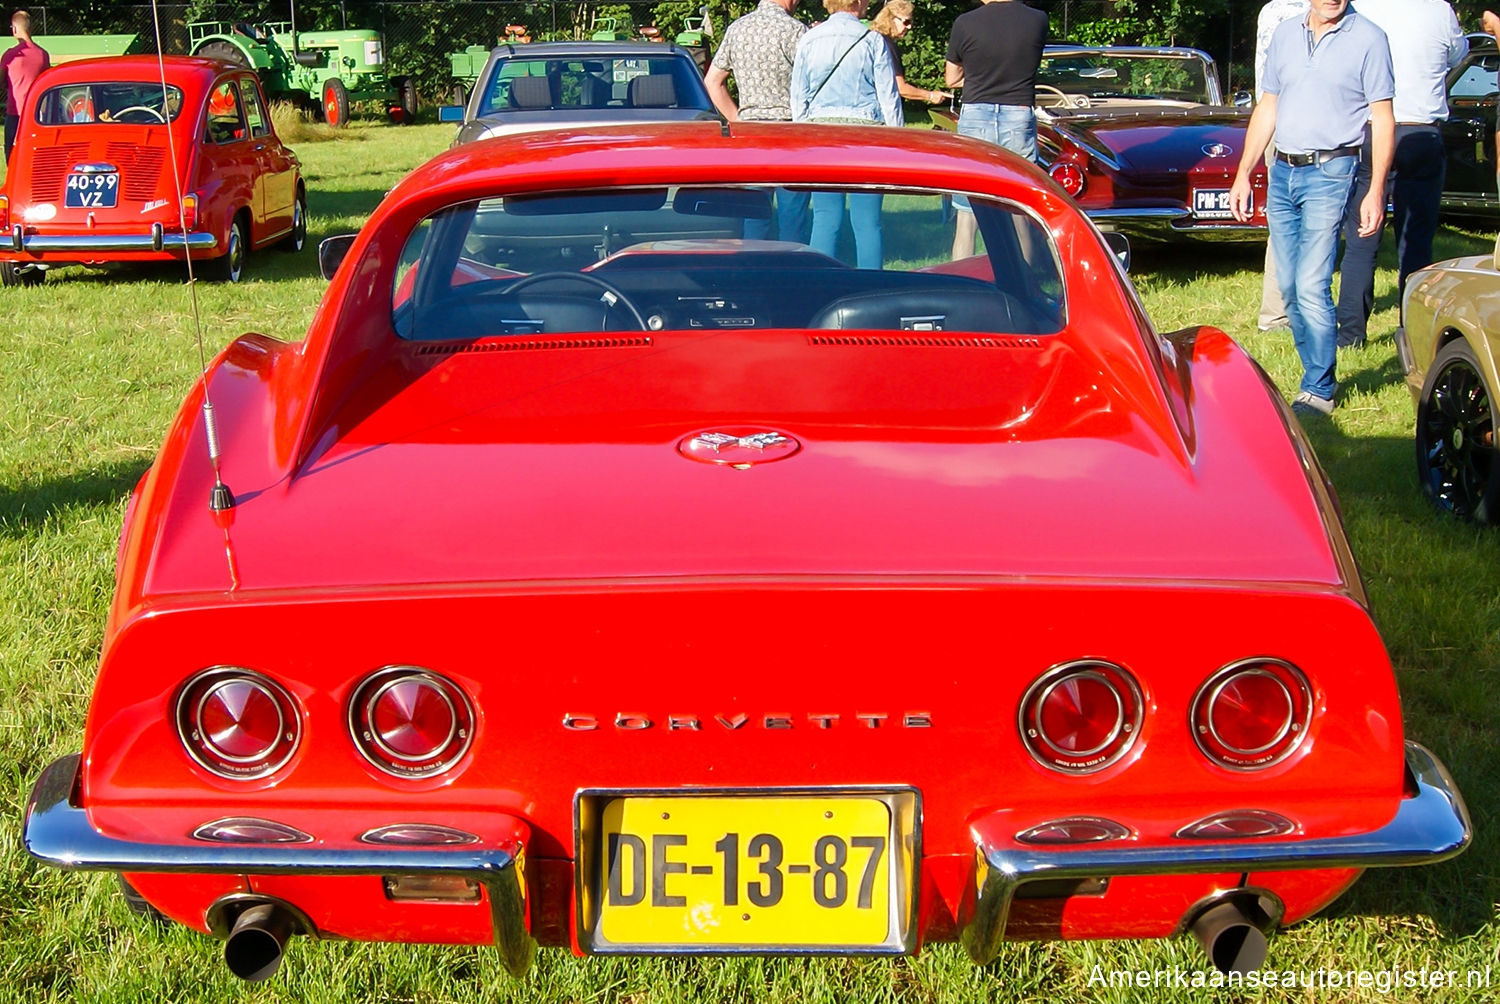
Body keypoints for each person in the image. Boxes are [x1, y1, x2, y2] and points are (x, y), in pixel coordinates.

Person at [1229, 0, 1394, 419]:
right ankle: (1313, 372)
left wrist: (1376, 190)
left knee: (1310, 282)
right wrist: (1244, 172)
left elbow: (1384, 118)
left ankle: (1319, 389)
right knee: (1288, 285)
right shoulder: (1284, 35)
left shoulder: (1370, 39)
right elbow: (1268, 105)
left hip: (1333, 170)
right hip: (1283, 170)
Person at [1333, 0, 1466, 350]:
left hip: (1374, 128)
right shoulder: (1439, 11)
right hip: (1421, 130)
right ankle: (1413, 329)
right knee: (1417, 241)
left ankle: (1350, 332)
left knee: (1362, 239)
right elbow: (1458, 54)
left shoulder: (1362, 9)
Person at [790, 0, 902, 269]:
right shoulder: (872, 40)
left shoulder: (810, 38)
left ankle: (820, 282)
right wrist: (897, 140)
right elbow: (889, 97)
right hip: (866, 135)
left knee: (825, 216)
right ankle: (871, 284)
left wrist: (802, 132)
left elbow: (798, 96)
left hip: (820, 134)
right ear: (859, 2)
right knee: (867, 221)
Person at [943, 0, 1047, 260]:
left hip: (976, 113)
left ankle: (963, 285)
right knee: (1019, 208)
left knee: (967, 213)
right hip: (1018, 113)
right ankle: (1024, 286)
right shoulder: (1038, 20)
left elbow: (951, 78)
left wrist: (979, 76)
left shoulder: (965, 22)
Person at [704, 0, 809, 243]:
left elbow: (712, 82)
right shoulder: (795, 31)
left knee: (754, 211)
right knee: (792, 212)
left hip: (750, 133)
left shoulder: (738, 29)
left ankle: (753, 266)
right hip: (789, 132)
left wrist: (737, 118)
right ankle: (792, 271)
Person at [1254, 0, 1309, 331]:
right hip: (1291, 120)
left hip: (1274, 119)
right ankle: (1280, 312)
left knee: (1286, 219)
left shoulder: (1271, 10)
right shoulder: (1296, 14)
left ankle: (1279, 311)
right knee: (1293, 220)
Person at [871, 0, 951, 107]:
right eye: (906, 22)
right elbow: (899, 87)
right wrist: (930, 95)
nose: (909, 27)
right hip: (882, 110)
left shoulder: (872, 40)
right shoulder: (886, 45)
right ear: (890, 19)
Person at [2, 10, 49, 162]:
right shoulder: (43, 54)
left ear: (14, 30)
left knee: (11, 150)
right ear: (31, 28)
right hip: (36, 113)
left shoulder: (9, 55)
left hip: (14, 112)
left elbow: (1, 81)